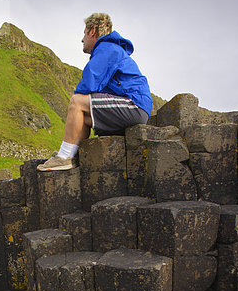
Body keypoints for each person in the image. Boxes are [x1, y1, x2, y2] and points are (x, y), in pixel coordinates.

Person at [37, 12, 152, 171]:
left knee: (77, 102)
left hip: (134, 105)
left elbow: (89, 83)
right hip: (133, 107)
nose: (82, 39)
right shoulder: (111, 49)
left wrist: (76, 98)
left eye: (84, 33)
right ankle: (72, 156)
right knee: (83, 115)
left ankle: (64, 157)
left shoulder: (107, 48)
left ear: (92, 31)